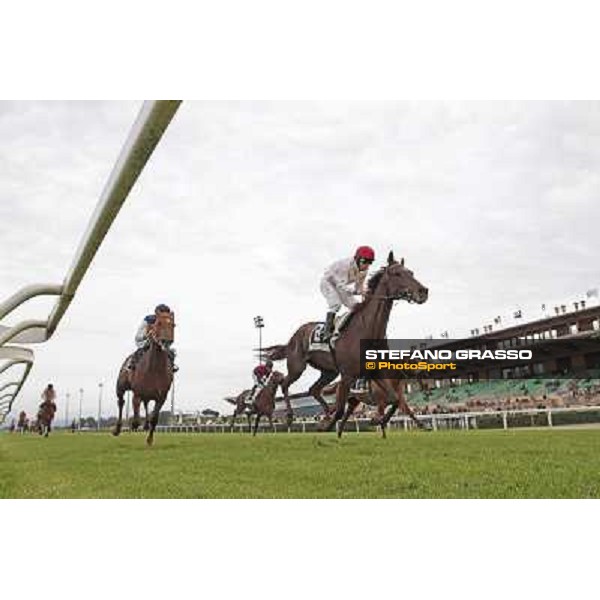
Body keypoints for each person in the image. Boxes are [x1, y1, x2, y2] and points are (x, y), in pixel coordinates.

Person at [319, 245, 375, 342]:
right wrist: (354, 292)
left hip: (341, 285)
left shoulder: (364, 271)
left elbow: (359, 287)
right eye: (364, 261)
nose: (366, 265)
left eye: (370, 262)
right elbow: (341, 285)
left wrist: (366, 293)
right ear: (357, 259)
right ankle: (326, 332)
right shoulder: (346, 265)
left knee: (355, 306)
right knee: (336, 304)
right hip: (328, 282)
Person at [130, 303, 178, 372]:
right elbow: (139, 334)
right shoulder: (148, 319)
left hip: (162, 343)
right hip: (147, 341)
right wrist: (147, 335)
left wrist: (166, 342)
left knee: (172, 353)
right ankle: (132, 365)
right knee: (140, 352)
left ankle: (172, 367)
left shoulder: (168, 321)